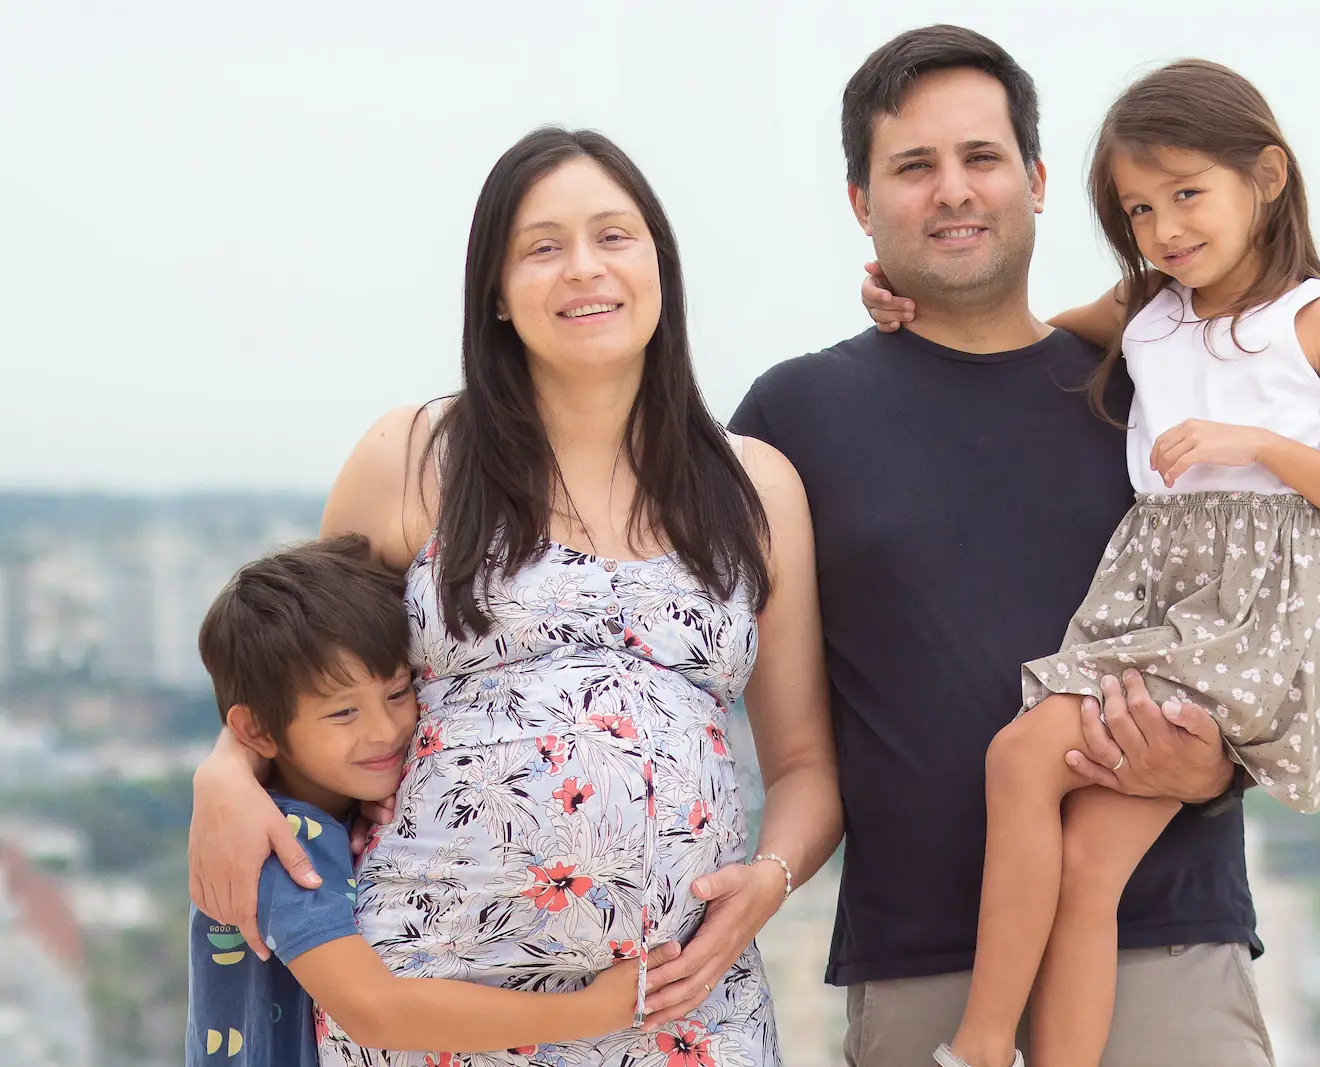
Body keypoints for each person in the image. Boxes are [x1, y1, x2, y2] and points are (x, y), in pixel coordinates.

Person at [187, 126, 842, 1067]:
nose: (584, 268)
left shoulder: (756, 488)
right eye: (543, 246)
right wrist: (223, 770)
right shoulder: (412, 456)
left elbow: (806, 762)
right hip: (432, 1008)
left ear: (658, 263)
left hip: (684, 1007)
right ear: (495, 291)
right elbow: (295, 667)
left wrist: (769, 883)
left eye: (613, 236)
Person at [731, 26, 1290, 1067]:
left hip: (1163, 938)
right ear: (861, 202)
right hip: (924, 970)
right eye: (914, 166)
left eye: (981, 157)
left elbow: (1272, 619)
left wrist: (1217, 762)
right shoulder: (793, 416)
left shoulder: (1157, 388)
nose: (953, 189)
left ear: (1034, 180)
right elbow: (728, 690)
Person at [858, 56, 1320, 1067]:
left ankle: (978, 1046)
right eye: (1139, 209)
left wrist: (1258, 447)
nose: (1165, 228)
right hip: (1155, 605)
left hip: (1243, 618)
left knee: (1018, 757)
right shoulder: (1148, 311)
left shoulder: (1317, 320)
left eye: (1187, 194)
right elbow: (1029, 335)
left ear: (1268, 176)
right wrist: (905, 301)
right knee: (1085, 866)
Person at [187, 535, 682, 1066]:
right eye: (343, 713)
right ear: (256, 731)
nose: (384, 730)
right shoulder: (282, 850)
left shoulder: (332, 813)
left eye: (398, 693)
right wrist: (591, 1011)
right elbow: (373, 1010)